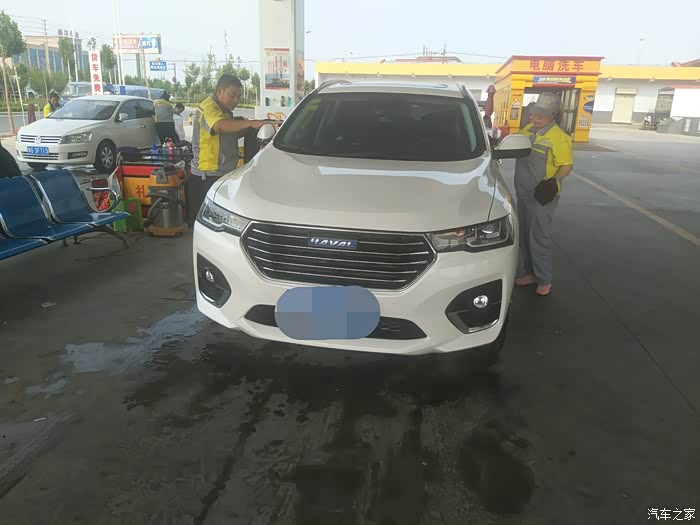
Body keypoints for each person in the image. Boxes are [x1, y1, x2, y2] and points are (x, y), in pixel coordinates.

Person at [188, 74, 270, 225]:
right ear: (219, 91)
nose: (236, 100)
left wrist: (249, 129)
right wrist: (250, 124)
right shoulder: (209, 107)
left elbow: (227, 135)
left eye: (238, 97)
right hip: (207, 175)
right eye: (232, 95)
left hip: (224, 173)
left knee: (221, 221)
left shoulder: (225, 111)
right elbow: (219, 126)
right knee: (208, 224)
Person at [513, 92, 574, 296]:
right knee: (525, 235)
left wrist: (553, 181)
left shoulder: (559, 137)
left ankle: (544, 279)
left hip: (542, 197)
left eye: (541, 115)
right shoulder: (528, 130)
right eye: (534, 113)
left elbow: (566, 165)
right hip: (523, 193)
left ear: (553, 115)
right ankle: (531, 273)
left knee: (538, 237)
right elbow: (513, 143)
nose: (535, 118)